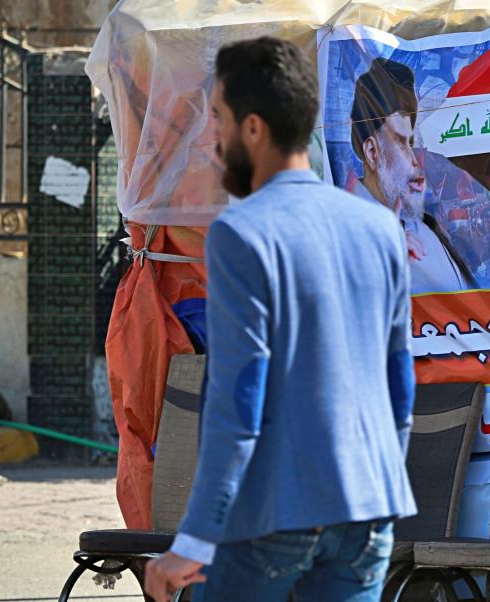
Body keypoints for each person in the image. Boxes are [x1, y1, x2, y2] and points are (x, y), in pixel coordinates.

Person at [143, 37, 416, 601]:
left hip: (276, 510)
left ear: (252, 129)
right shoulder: (380, 230)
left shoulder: (241, 234)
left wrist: (193, 540)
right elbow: (400, 384)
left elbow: (237, 402)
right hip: (369, 507)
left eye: (216, 118)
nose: (211, 140)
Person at [350, 58, 476, 293]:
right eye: (401, 143)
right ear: (371, 151)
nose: (415, 162)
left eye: (411, 144)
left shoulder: (417, 225)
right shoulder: (346, 236)